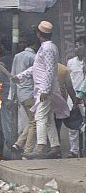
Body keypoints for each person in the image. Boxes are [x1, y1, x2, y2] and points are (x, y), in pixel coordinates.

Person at [13, 21, 69, 159]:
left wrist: (45, 89)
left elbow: (50, 69)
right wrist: (20, 76)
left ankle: (41, 147)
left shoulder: (48, 48)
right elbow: (37, 68)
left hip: (45, 90)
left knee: (40, 117)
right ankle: (55, 147)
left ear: (39, 34)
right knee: (48, 118)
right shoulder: (45, 48)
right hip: (43, 89)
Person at [10, 34, 37, 156]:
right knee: (35, 122)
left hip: (21, 95)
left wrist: (13, 96)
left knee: (32, 121)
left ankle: (18, 144)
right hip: (30, 94)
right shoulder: (34, 57)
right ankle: (27, 151)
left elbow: (13, 76)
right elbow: (37, 77)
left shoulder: (17, 56)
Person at [66, 37, 85, 157]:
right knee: (73, 124)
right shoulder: (71, 62)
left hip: (84, 96)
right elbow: (68, 80)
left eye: (80, 45)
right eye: (76, 45)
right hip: (72, 97)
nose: (77, 48)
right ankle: (74, 151)